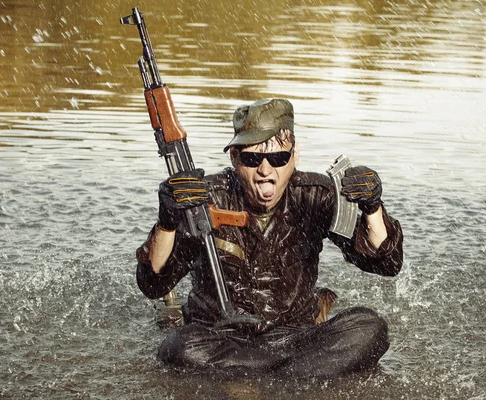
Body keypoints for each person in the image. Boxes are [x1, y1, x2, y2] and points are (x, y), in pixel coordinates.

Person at [136, 98, 403, 379]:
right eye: (253, 158)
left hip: (295, 339)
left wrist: (373, 208)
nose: (265, 169)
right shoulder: (204, 199)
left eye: (278, 158)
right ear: (235, 158)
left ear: (295, 154)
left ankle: (263, 375)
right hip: (219, 338)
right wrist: (166, 222)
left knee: (369, 327)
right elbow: (153, 284)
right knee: (177, 347)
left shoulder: (315, 195)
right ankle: (294, 377)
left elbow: (387, 265)